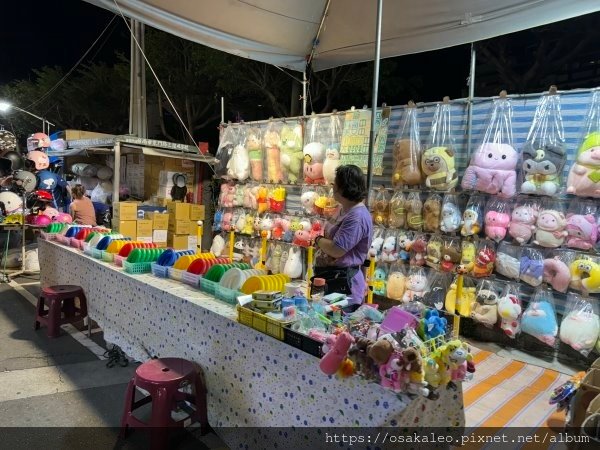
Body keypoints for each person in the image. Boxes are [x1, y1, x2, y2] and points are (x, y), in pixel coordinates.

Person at [313, 165, 372, 311]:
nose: (333, 187)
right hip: (331, 279)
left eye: (335, 184)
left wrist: (318, 240)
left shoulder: (356, 216)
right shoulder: (343, 208)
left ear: (344, 188)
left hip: (344, 286)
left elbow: (337, 249)